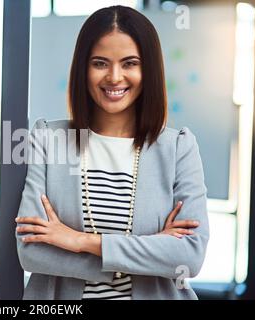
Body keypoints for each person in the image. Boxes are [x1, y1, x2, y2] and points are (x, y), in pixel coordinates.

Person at [15, 6, 209, 300]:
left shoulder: (178, 147)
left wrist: (79, 241)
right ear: (83, 68)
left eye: (130, 63)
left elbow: (188, 256)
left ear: (149, 70)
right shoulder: (47, 138)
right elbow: (32, 251)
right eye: (100, 63)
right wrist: (148, 252)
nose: (115, 77)